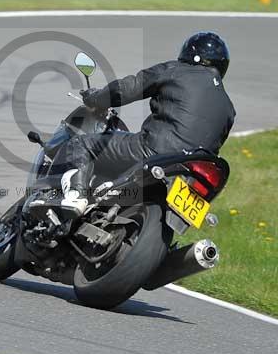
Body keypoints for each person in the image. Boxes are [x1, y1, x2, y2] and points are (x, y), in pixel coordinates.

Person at [54, 32, 236, 218]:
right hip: (189, 172)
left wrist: (95, 98)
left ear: (189, 54)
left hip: (156, 151)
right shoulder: (229, 109)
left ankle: (76, 196)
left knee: (81, 144)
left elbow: (126, 89)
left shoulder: (176, 70)